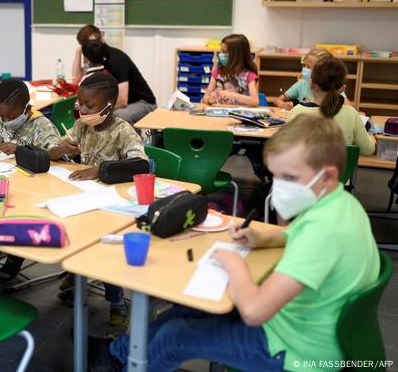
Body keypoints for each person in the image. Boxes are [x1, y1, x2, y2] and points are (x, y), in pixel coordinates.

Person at [89, 115, 380, 372]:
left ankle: (128, 361)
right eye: (276, 176)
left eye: (290, 177)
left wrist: (236, 264)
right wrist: (262, 236)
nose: (280, 187)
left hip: (294, 352)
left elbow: (254, 312)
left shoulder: (322, 230)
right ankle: (120, 356)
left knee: (175, 337)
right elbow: (296, 237)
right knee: (186, 312)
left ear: (327, 176)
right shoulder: (339, 203)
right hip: (304, 328)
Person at [50, 73, 149, 325]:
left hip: (113, 203)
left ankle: (116, 301)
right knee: (75, 234)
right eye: (79, 104)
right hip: (83, 198)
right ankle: (77, 271)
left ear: (110, 105)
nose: (82, 110)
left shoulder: (122, 131)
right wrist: (62, 150)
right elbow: (53, 150)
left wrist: (100, 169)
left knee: (104, 252)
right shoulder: (82, 126)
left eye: (89, 106)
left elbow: (140, 164)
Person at [0, 77, 62, 281]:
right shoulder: (0, 121)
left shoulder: (41, 125)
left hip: (35, 186)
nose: (6, 120)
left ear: (27, 109)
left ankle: (15, 255)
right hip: (5, 182)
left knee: (20, 211)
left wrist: (20, 149)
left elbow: (55, 154)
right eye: (1, 115)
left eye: (11, 115)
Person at [286, 57, 375, 156]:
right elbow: (368, 149)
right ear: (342, 89)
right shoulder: (351, 114)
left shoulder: (296, 111)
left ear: (311, 84)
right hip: (338, 171)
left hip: (302, 170)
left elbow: (285, 146)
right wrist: (371, 135)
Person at [81, 39, 157, 125]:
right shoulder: (100, 57)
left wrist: (99, 111)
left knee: (119, 115)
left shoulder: (117, 60)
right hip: (129, 103)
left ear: (87, 59)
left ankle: (132, 139)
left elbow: (122, 101)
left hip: (144, 103)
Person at [274, 48, 351, 109]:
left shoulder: (332, 87)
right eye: (304, 65)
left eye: (308, 67)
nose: (304, 69)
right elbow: (277, 100)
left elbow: (348, 107)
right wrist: (285, 105)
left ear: (322, 71)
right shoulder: (302, 84)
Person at [203, 34, 259, 107]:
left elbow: (255, 101)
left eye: (224, 52)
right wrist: (209, 99)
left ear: (236, 55)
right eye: (221, 51)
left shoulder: (249, 75)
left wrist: (232, 95)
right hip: (218, 114)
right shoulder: (217, 72)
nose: (221, 55)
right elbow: (205, 98)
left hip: (238, 115)